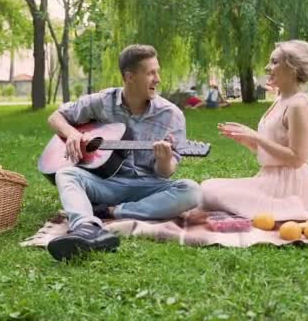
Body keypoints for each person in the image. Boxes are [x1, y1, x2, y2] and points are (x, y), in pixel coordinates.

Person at [46, 44, 202, 261]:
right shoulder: (103, 102)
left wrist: (164, 159)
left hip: (147, 187)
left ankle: (112, 212)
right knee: (66, 174)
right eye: (150, 73)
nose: (158, 79)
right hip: (106, 183)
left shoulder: (171, 115)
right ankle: (86, 228)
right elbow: (56, 117)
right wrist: (72, 134)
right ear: (130, 77)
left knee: (192, 191)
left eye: (158, 72)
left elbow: (166, 173)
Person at [199, 40, 308, 219]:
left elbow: (298, 159)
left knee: (208, 192)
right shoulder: (280, 100)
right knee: (207, 187)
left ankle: (287, 207)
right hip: (268, 179)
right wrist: (248, 141)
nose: (267, 67)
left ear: (293, 68)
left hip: (288, 186)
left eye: (274, 62)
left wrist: (256, 137)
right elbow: (275, 149)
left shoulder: (297, 104)